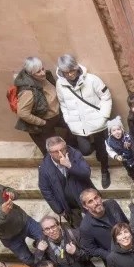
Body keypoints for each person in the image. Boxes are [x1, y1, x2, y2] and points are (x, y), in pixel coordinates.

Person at [55, 55, 113, 188]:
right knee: (85, 150)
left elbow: (106, 97)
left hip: (98, 123)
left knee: (102, 151)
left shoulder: (92, 79)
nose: (70, 75)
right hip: (78, 126)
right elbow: (63, 103)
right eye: (66, 72)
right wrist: (69, 120)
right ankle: (95, 148)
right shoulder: (60, 84)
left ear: (76, 68)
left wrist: (103, 116)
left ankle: (105, 171)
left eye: (72, 71)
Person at [12, 56, 67, 155]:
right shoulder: (28, 91)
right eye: (38, 72)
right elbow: (23, 113)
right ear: (31, 74)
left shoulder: (46, 77)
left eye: (42, 69)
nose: (42, 73)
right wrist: (42, 123)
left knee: (73, 130)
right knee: (54, 151)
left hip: (56, 115)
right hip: (44, 122)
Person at [77, 188, 129, 263]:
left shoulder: (112, 204)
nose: (96, 203)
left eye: (96, 198)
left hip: (130, 247)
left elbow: (125, 222)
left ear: (100, 197)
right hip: (115, 260)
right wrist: (110, 256)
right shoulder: (85, 227)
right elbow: (91, 249)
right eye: (90, 201)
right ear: (85, 206)